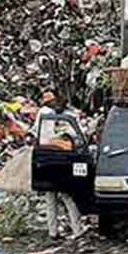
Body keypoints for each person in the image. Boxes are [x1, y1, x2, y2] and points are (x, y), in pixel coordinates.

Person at [33, 93, 86, 239]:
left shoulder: (41, 115)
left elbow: (38, 135)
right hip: (57, 163)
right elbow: (51, 136)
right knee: (68, 198)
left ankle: (53, 232)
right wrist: (62, 136)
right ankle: (78, 230)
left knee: (50, 200)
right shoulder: (49, 114)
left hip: (45, 162)